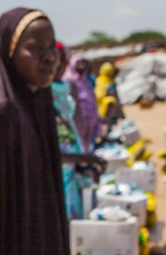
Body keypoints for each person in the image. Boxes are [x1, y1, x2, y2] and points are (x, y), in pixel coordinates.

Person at [0, 8, 69, 255]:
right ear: (10, 55)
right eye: (35, 48)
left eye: (51, 46)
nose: (49, 57)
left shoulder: (38, 106)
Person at [52, 42, 105, 220]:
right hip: (54, 175)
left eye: (61, 60)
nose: (56, 66)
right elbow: (50, 153)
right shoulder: (41, 99)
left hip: (71, 166)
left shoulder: (64, 93)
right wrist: (86, 159)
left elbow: (71, 129)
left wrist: (83, 161)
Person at [66, 56, 102, 152]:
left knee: (89, 140)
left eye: (83, 63)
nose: (81, 65)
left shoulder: (88, 80)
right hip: (79, 116)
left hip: (90, 115)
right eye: (78, 63)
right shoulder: (70, 80)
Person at [95, 62, 123, 134]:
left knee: (114, 128)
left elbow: (116, 97)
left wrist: (121, 113)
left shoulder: (112, 82)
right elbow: (98, 96)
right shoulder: (99, 82)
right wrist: (107, 100)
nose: (109, 73)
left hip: (113, 110)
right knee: (104, 128)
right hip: (104, 110)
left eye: (110, 71)